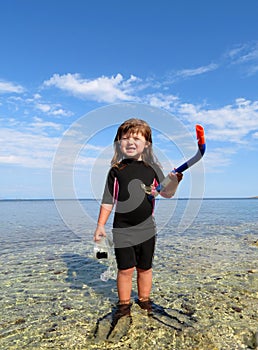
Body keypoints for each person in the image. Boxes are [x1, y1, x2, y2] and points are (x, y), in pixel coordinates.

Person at [93, 118, 183, 321]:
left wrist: (175, 182)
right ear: (119, 143)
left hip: (147, 228)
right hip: (122, 228)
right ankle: (124, 306)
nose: (130, 142)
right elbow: (108, 200)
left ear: (147, 144)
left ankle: (144, 301)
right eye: (125, 138)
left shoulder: (153, 169)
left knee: (145, 268)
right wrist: (100, 225)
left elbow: (166, 193)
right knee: (125, 270)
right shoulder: (116, 170)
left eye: (136, 138)